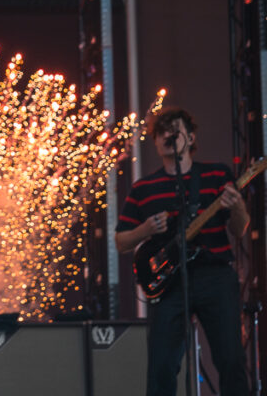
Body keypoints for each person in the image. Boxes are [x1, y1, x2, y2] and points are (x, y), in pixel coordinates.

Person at [115, 106, 250, 396]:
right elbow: (121, 241)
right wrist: (145, 230)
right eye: (161, 131)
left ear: (190, 137)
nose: (168, 134)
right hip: (170, 284)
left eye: (174, 129)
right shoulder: (143, 188)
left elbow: (239, 230)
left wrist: (237, 206)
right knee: (162, 366)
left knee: (231, 359)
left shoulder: (216, 175)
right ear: (155, 142)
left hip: (215, 276)